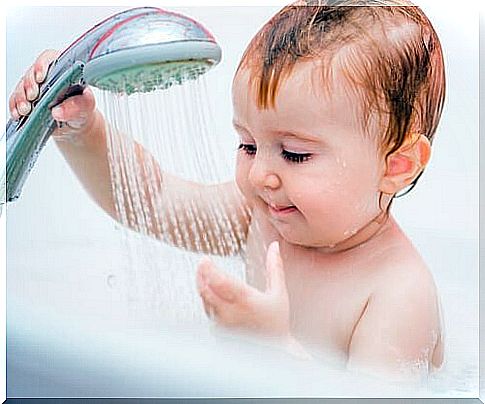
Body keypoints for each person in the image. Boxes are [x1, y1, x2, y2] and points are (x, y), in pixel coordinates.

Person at [9, 0, 445, 378]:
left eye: (294, 153)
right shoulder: (261, 215)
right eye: (248, 145)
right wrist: (83, 130)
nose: (260, 176)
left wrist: (274, 352)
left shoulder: (398, 294)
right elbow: (151, 201)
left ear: (397, 166)